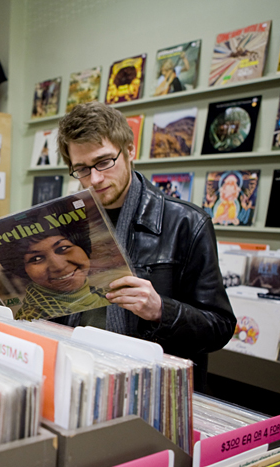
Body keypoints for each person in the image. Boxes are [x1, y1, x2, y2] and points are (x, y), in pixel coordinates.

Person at [55, 101, 236, 390]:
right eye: (82, 169)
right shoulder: (66, 225)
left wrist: (161, 310)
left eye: (104, 162)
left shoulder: (187, 223)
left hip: (151, 388)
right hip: (74, 377)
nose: (95, 178)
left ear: (129, 151)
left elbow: (220, 327)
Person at [0, 204, 110, 321]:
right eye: (36, 259)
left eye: (63, 248)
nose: (59, 266)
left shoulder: (108, 295)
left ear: (83, 247)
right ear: (23, 270)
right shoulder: (31, 319)